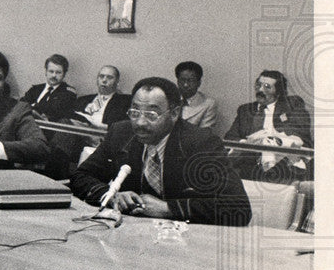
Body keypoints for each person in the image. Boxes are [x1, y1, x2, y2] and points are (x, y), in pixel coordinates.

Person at [69, 76, 251, 226]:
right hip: (130, 233)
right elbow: (80, 177)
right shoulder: (120, 133)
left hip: (184, 241)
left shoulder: (201, 143)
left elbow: (238, 208)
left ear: (173, 114)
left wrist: (169, 208)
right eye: (134, 112)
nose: (140, 122)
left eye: (151, 115)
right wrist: (111, 196)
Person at [223, 70, 313, 183]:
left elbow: (301, 136)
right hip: (250, 163)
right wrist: (246, 143)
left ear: (279, 92)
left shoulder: (292, 106)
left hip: (283, 165)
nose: (260, 90)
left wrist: (273, 139)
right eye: (258, 85)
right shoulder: (245, 110)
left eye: (267, 87)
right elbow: (230, 137)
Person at [46, 65, 131, 178]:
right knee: (65, 126)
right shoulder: (83, 100)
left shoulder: (123, 102)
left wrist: (94, 124)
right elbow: (71, 116)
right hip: (78, 136)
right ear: (97, 79)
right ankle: (57, 175)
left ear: (117, 81)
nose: (104, 80)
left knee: (64, 131)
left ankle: (52, 176)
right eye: (101, 76)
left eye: (109, 77)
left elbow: (122, 127)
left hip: (101, 137)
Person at [20, 53, 77, 122]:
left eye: (58, 72)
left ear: (64, 74)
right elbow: (21, 105)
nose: (54, 75)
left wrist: (33, 107)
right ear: (46, 72)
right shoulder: (35, 89)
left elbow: (57, 112)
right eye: (51, 71)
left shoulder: (68, 93)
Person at [174, 61, 219, 130]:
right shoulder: (168, 99)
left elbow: (204, 134)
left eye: (190, 81)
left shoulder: (208, 104)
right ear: (177, 81)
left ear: (199, 83)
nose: (185, 85)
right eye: (182, 80)